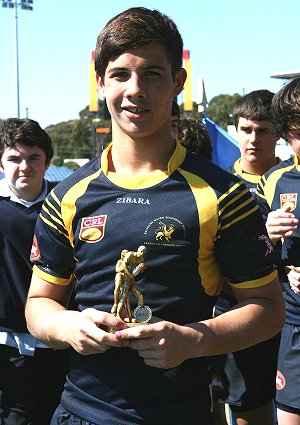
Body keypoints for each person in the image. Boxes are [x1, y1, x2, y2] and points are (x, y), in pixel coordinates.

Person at [25, 7, 285, 425]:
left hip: (181, 414)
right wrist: (68, 326)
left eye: (152, 74)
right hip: (80, 412)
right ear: (100, 82)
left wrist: (192, 339)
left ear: (178, 82)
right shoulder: (67, 194)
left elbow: (269, 308)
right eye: (120, 75)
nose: (135, 90)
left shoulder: (224, 195)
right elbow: (39, 305)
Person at [211, 90, 281, 425]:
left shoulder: (289, 182)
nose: (253, 139)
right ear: (235, 129)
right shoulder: (218, 185)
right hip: (234, 309)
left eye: (263, 130)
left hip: (285, 309)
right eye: (246, 129)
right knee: (234, 405)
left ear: (278, 132)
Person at [0, 118, 70, 425]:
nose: (24, 166)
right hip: (7, 346)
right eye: (14, 158)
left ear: (48, 161)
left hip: (61, 340)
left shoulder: (68, 204)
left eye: (33, 158)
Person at [255, 77, 300, 425]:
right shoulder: (274, 181)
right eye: (298, 131)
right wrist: (268, 235)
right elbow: (255, 254)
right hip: (294, 323)